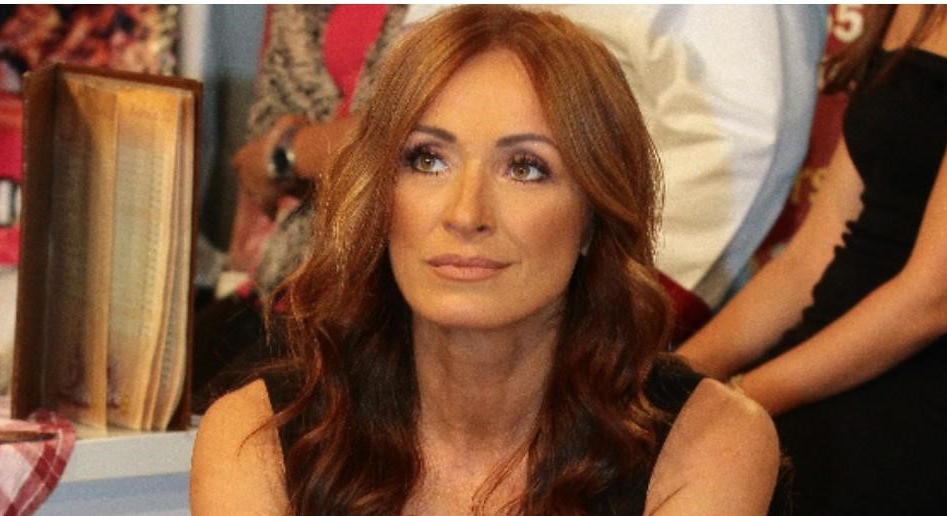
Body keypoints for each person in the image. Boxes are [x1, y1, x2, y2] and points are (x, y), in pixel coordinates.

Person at [191, 6, 779, 516]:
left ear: (594, 217)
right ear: (380, 197)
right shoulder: (258, 434)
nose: (465, 213)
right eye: (427, 160)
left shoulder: (710, 440)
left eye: (526, 168)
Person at [231, 4, 827, 333]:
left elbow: (745, 140)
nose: (465, 211)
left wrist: (625, 316)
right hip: (388, 321)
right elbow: (422, 102)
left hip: (583, 317)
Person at [678, 4, 947, 516]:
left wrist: (738, 401)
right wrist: (673, 377)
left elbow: (932, 302)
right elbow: (810, 258)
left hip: (926, 388)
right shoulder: (903, 12)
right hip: (830, 356)